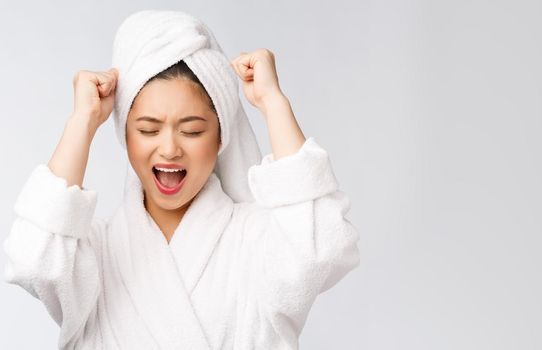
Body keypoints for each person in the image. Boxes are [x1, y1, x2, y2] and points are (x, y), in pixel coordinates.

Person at [3, 10, 360, 350]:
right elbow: (34, 259)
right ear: (124, 136)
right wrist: (82, 122)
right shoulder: (93, 254)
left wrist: (273, 102)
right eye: (148, 129)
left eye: (191, 130)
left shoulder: (256, 240)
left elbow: (321, 248)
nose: (170, 149)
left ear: (221, 137)